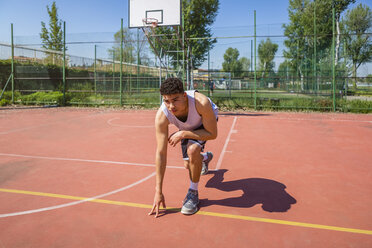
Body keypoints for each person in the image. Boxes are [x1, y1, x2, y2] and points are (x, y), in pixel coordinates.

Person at [148, 77, 218, 217]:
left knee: (193, 150)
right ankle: (204, 158)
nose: (171, 106)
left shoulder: (201, 103)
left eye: (175, 100)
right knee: (188, 165)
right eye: (166, 101)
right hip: (186, 128)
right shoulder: (162, 115)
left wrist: (183, 134)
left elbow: (212, 134)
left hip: (204, 125)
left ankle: (193, 193)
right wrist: (158, 191)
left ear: (184, 96)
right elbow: (161, 153)